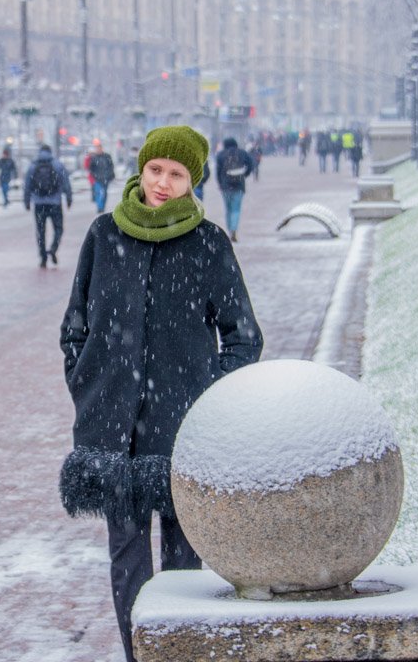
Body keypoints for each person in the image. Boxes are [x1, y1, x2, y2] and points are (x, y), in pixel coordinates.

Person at [59, 124, 263, 662]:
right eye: (156, 170)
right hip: (109, 426)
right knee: (125, 556)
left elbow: (244, 336)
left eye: (177, 174)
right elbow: (74, 325)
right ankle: (137, 653)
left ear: (194, 182)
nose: (163, 183)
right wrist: (86, 380)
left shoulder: (208, 243)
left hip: (184, 429)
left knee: (183, 561)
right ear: (140, 168)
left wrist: (208, 398)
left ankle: (177, 651)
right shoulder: (104, 234)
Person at [23, 143, 72, 267]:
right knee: (58, 229)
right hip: (55, 203)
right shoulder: (57, 165)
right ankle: (53, 248)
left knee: (40, 231)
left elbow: (27, 184)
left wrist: (27, 201)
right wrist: (69, 198)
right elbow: (66, 182)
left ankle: (43, 257)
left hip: (39, 204)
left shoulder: (33, 166)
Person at [214, 136, 255, 242]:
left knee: (228, 209)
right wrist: (244, 175)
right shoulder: (242, 153)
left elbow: (217, 171)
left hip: (225, 186)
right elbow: (251, 165)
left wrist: (220, 183)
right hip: (239, 185)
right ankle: (234, 230)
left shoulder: (220, 155)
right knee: (236, 209)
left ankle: (229, 230)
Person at [85, 143, 116, 213]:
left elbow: (111, 166)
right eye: (97, 148)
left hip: (106, 178)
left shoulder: (107, 156)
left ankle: (102, 205)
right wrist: (94, 175)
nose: (98, 150)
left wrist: (110, 175)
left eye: (99, 148)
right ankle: (100, 207)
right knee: (98, 193)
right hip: (97, 179)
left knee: (104, 193)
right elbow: (90, 168)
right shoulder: (94, 158)